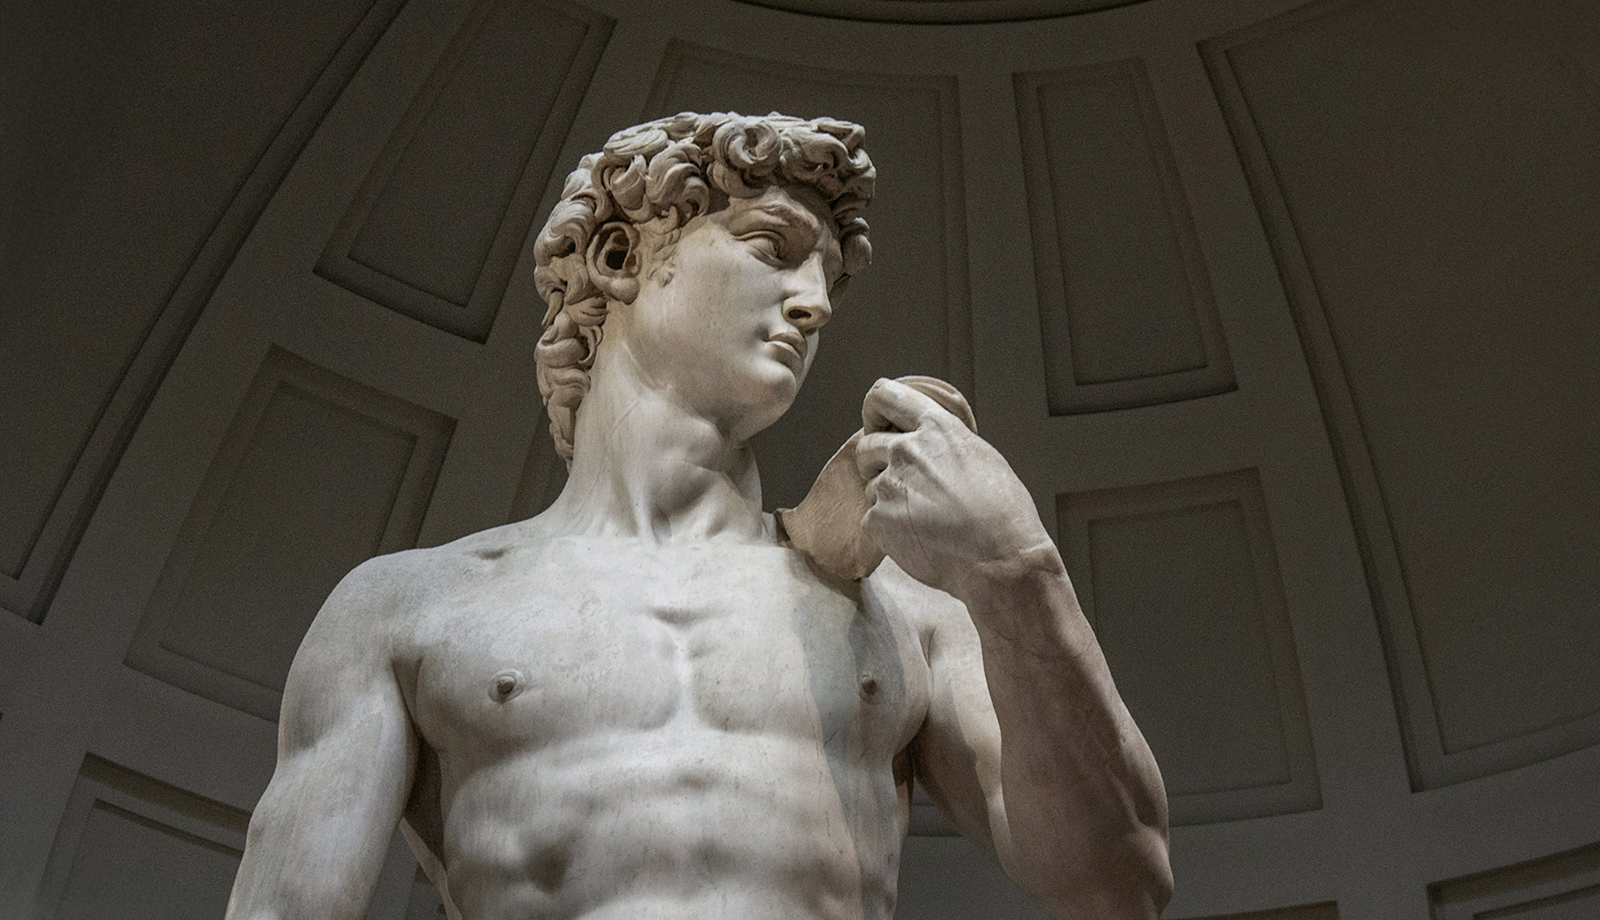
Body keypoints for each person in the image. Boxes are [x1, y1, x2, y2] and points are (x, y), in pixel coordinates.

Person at [224, 112, 1172, 920]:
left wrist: (1016, 571)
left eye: (830, 277)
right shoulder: (406, 610)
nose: (814, 304)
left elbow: (1120, 880)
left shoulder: (905, 613)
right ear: (620, 255)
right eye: (775, 249)